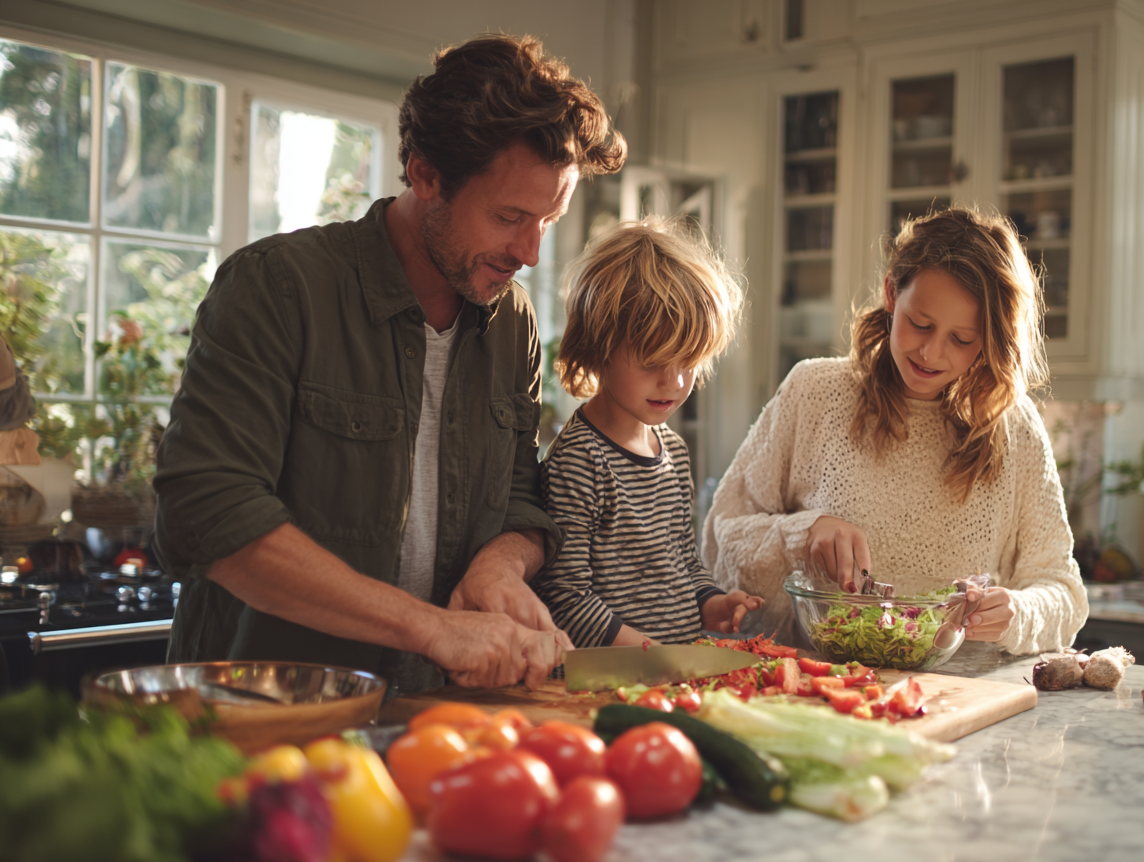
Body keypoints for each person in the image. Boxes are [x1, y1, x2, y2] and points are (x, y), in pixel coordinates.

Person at [153, 34, 626, 691]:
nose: (530, 251)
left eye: (548, 219)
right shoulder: (279, 288)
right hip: (263, 716)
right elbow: (208, 513)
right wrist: (430, 628)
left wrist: (501, 564)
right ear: (425, 173)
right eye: (509, 216)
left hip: (438, 720)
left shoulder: (511, 322)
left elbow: (520, 496)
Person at [702, 207, 1087, 654]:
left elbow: (1063, 591)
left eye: (962, 339)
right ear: (891, 293)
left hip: (961, 702)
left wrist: (1018, 612)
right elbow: (720, 539)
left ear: (990, 339)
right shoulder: (814, 391)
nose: (931, 352)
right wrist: (802, 534)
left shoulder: (1014, 427)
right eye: (919, 324)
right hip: (824, 690)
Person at [533, 218, 763, 647]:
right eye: (652, 360)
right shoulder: (580, 460)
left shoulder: (673, 449)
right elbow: (565, 597)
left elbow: (681, 565)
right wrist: (650, 654)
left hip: (667, 676)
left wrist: (711, 602)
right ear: (597, 347)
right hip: (608, 685)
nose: (674, 382)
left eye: (688, 360)